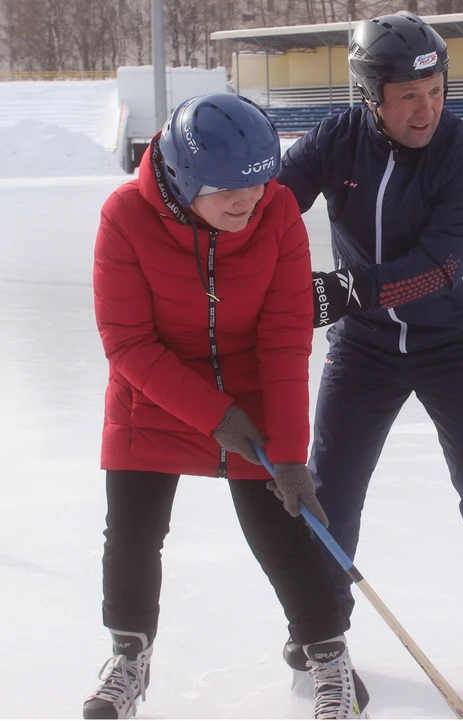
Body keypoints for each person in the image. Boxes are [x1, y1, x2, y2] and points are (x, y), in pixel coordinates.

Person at [277, 11, 463, 689]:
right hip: (365, 347)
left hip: (455, 340)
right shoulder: (337, 140)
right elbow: (274, 206)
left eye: (436, 92)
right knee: (328, 484)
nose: (427, 109)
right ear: (372, 96)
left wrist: (344, 290)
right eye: (408, 97)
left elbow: (441, 265)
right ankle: (318, 620)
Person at [84, 93, 369, 720]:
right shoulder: (125, 216)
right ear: (185, 180)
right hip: (155, 393)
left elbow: (287, 338)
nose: (250, 201)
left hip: (252, 392)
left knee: (284, 532)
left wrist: (291, 457)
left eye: (262, 181)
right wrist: (213, 415)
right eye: (228, 191)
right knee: (131, 534)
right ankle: (128, 657)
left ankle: (330, 660)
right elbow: (126, 341)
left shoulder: (278, 213)